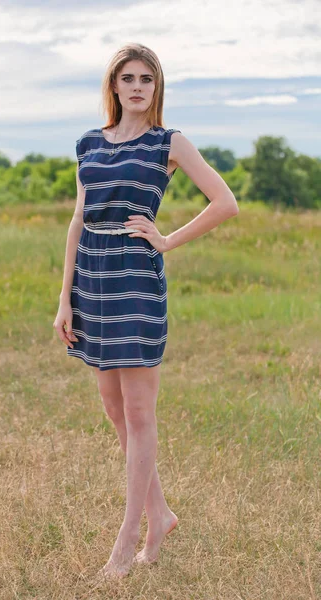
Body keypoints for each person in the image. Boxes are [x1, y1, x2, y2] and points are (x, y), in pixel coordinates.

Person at [54, 42, 239, 579]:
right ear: (113, 86)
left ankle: (128, 540)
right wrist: (65, 296)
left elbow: (224, 202)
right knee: (114, 411)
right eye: (128, 78)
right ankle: (160, 514)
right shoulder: (89, 143)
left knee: (139, 415)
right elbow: (76, 220)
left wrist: (165, 240)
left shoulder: (169, 142)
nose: (137, 87)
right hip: (92, 282)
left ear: (157, 89)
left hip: (135, 284)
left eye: (147, 80)